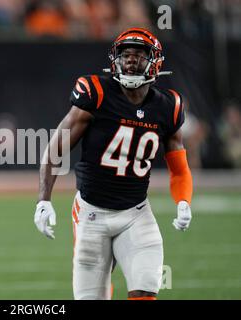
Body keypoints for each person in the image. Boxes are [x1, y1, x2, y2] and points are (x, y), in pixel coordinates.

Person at [34, 28, 193, 300]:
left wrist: (183, 200)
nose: (131, 60)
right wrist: (44, 199)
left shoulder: (169, 106)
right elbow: (56, 147)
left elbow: (179, 167)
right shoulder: (95, 92)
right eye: (126, 55)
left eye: (139, 56)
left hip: (136, 214)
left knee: (145, 292)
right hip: (91, 214)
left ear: (155, 61)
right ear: (114, 60)